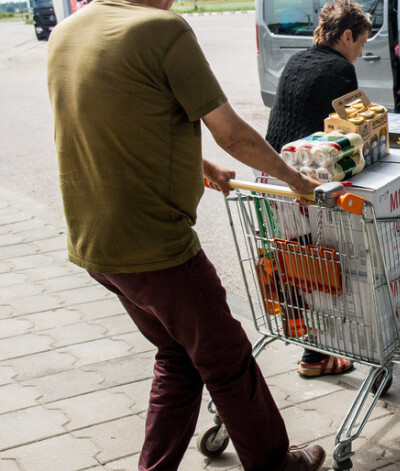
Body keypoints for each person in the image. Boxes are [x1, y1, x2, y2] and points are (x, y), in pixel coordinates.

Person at [46, 0, 326, 469]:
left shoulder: (69, 30)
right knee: (227, 360)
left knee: (177, 356)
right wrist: (297, 182)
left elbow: (114, 121)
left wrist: (199, 166)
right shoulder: (163, 30)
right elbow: (232, 133)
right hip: (155, 247)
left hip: (94, 242)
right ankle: (277, 464)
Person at [265, 0, 372, 378]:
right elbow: (344, 135)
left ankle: (308, 341)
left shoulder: (298, 61)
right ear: (345, 35)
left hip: (272, 173)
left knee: (297, 259)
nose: (360, 53)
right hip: (302, 181)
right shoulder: (340, 70)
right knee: (316, 265)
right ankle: (315, 353)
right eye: (360, 44)